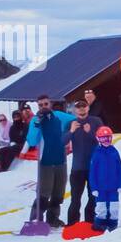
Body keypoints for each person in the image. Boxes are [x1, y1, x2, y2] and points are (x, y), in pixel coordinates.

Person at [25, 95, 77, 228]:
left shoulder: (60, 116)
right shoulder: (36, 120)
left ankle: (53, 218)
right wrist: (37, 124)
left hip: (60, 159)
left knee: (58, 192)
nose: (43, 107)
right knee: (44, 192)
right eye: (40, 105)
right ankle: (36, 219)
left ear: (51, 104)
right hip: (45, 160)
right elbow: (31, 141)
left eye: (45, 104)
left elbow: (77, 120)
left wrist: (70, 130)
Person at [65, 98, 101, 226]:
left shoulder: (96, 121)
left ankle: (90, 222)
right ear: (75, 110)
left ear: (88, 108)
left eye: (84, 106)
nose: (81, 109)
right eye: (78, 107)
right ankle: (71, 225)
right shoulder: (71, 123)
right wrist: (71, 131)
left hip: (93, 167)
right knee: (75, 199)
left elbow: (103, 141)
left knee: (93, 197)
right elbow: (61, 142)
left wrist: (90, 132)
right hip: (77, 168)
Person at [89, 126, 121, 231]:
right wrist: (94, 188)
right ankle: (100, 223)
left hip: (113, 187)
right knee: (101, 207)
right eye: (103, 139)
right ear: (98, 139)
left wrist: (120, 184)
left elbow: (120, 169)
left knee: (114, 207)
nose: (106, 141)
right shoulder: (96, 153)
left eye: (108, 138)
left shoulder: (114, 152)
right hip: (100, 188)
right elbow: (93, 172)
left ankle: (113, 223)